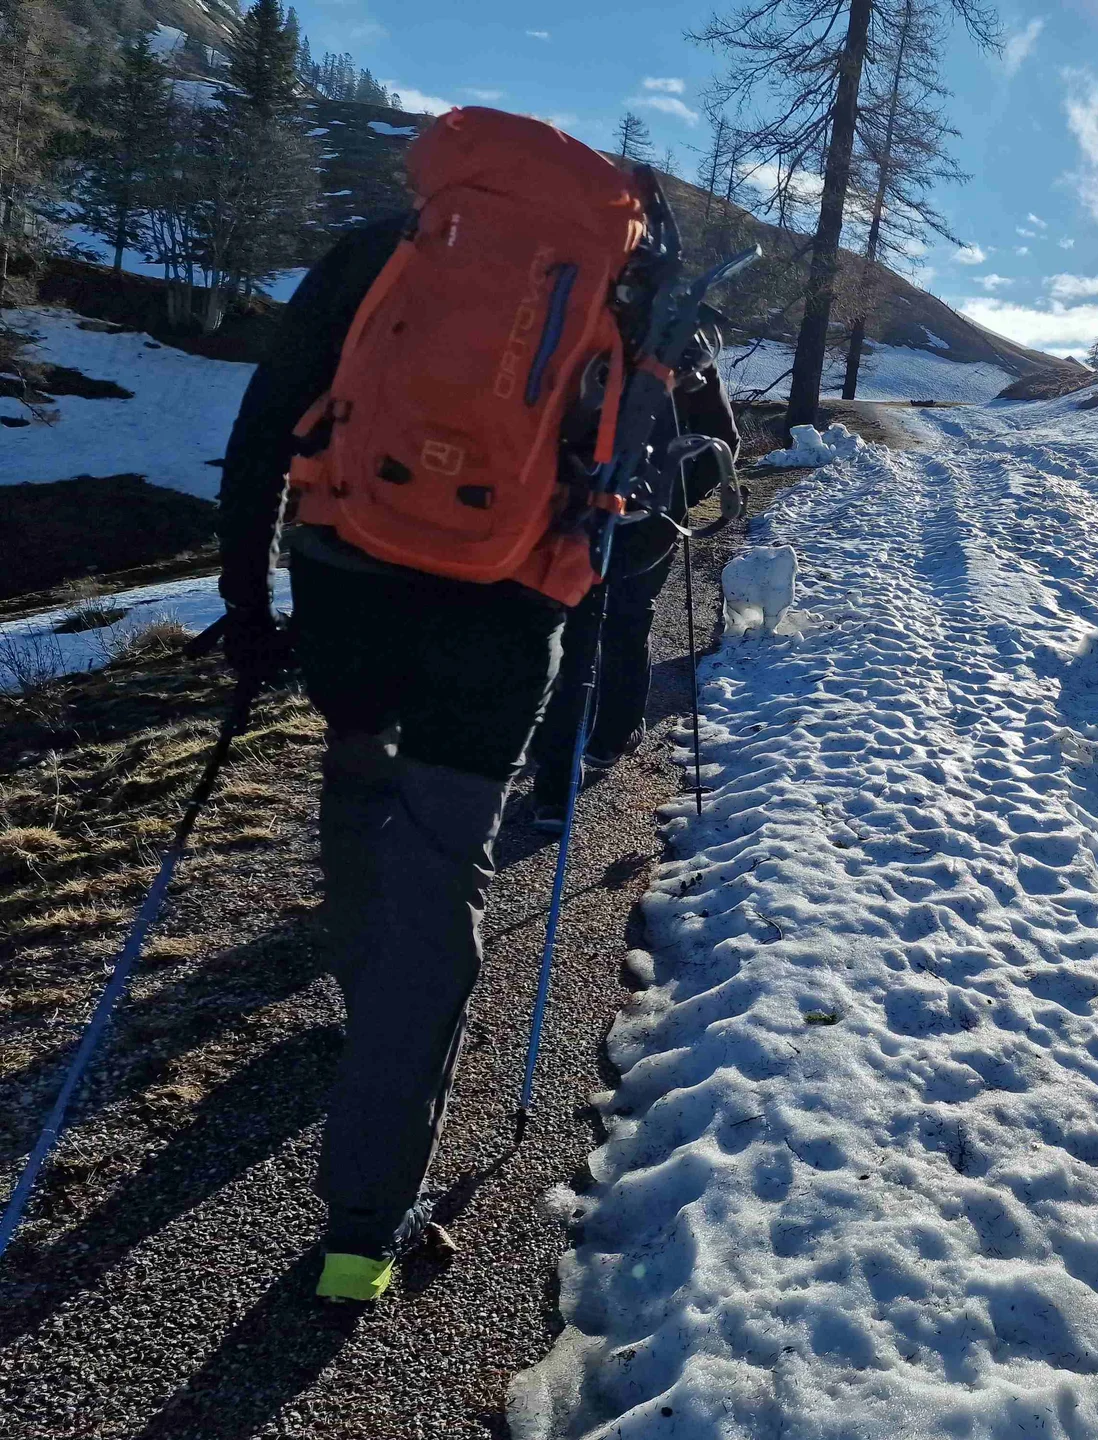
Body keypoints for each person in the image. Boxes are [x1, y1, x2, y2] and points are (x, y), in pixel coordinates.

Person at [217, 108, 737, 1304]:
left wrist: (248, 616)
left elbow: (262, 435)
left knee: (356, 778)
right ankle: (366, 1226)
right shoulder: (642, 302)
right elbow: (689, 480)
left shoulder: (385, 250)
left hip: (347, 577)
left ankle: (369, 1008)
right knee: (448, 859)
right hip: (509, 613)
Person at [528, 359, 739, 831]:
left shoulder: (569, 315)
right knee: (629, 618)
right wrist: (677, 499)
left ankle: (554, 787)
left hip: (560, 511)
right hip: (649, 519)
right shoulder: (679, 333)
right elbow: (723, 439)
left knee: (570, 632)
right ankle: (612, 736)